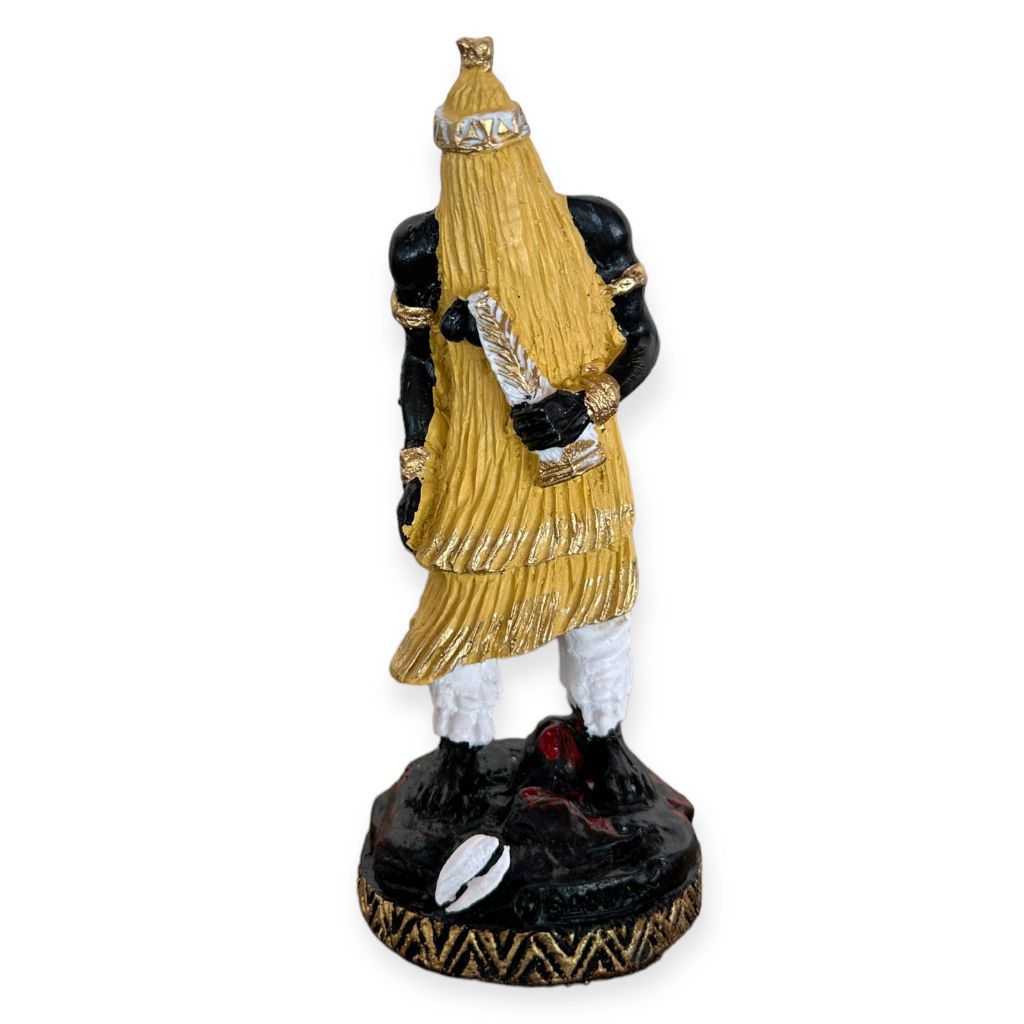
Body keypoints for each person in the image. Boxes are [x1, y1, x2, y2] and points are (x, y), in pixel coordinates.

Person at [388, 38, 660, 810]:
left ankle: (602, 737)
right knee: (465, 598)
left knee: (597, 596)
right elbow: (418, 367)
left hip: (579, 452)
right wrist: (415, 470)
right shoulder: (422, 248)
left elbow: (641, 340)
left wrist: (589, 401)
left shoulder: (593, 228)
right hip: (475, 460)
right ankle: (461, 749)